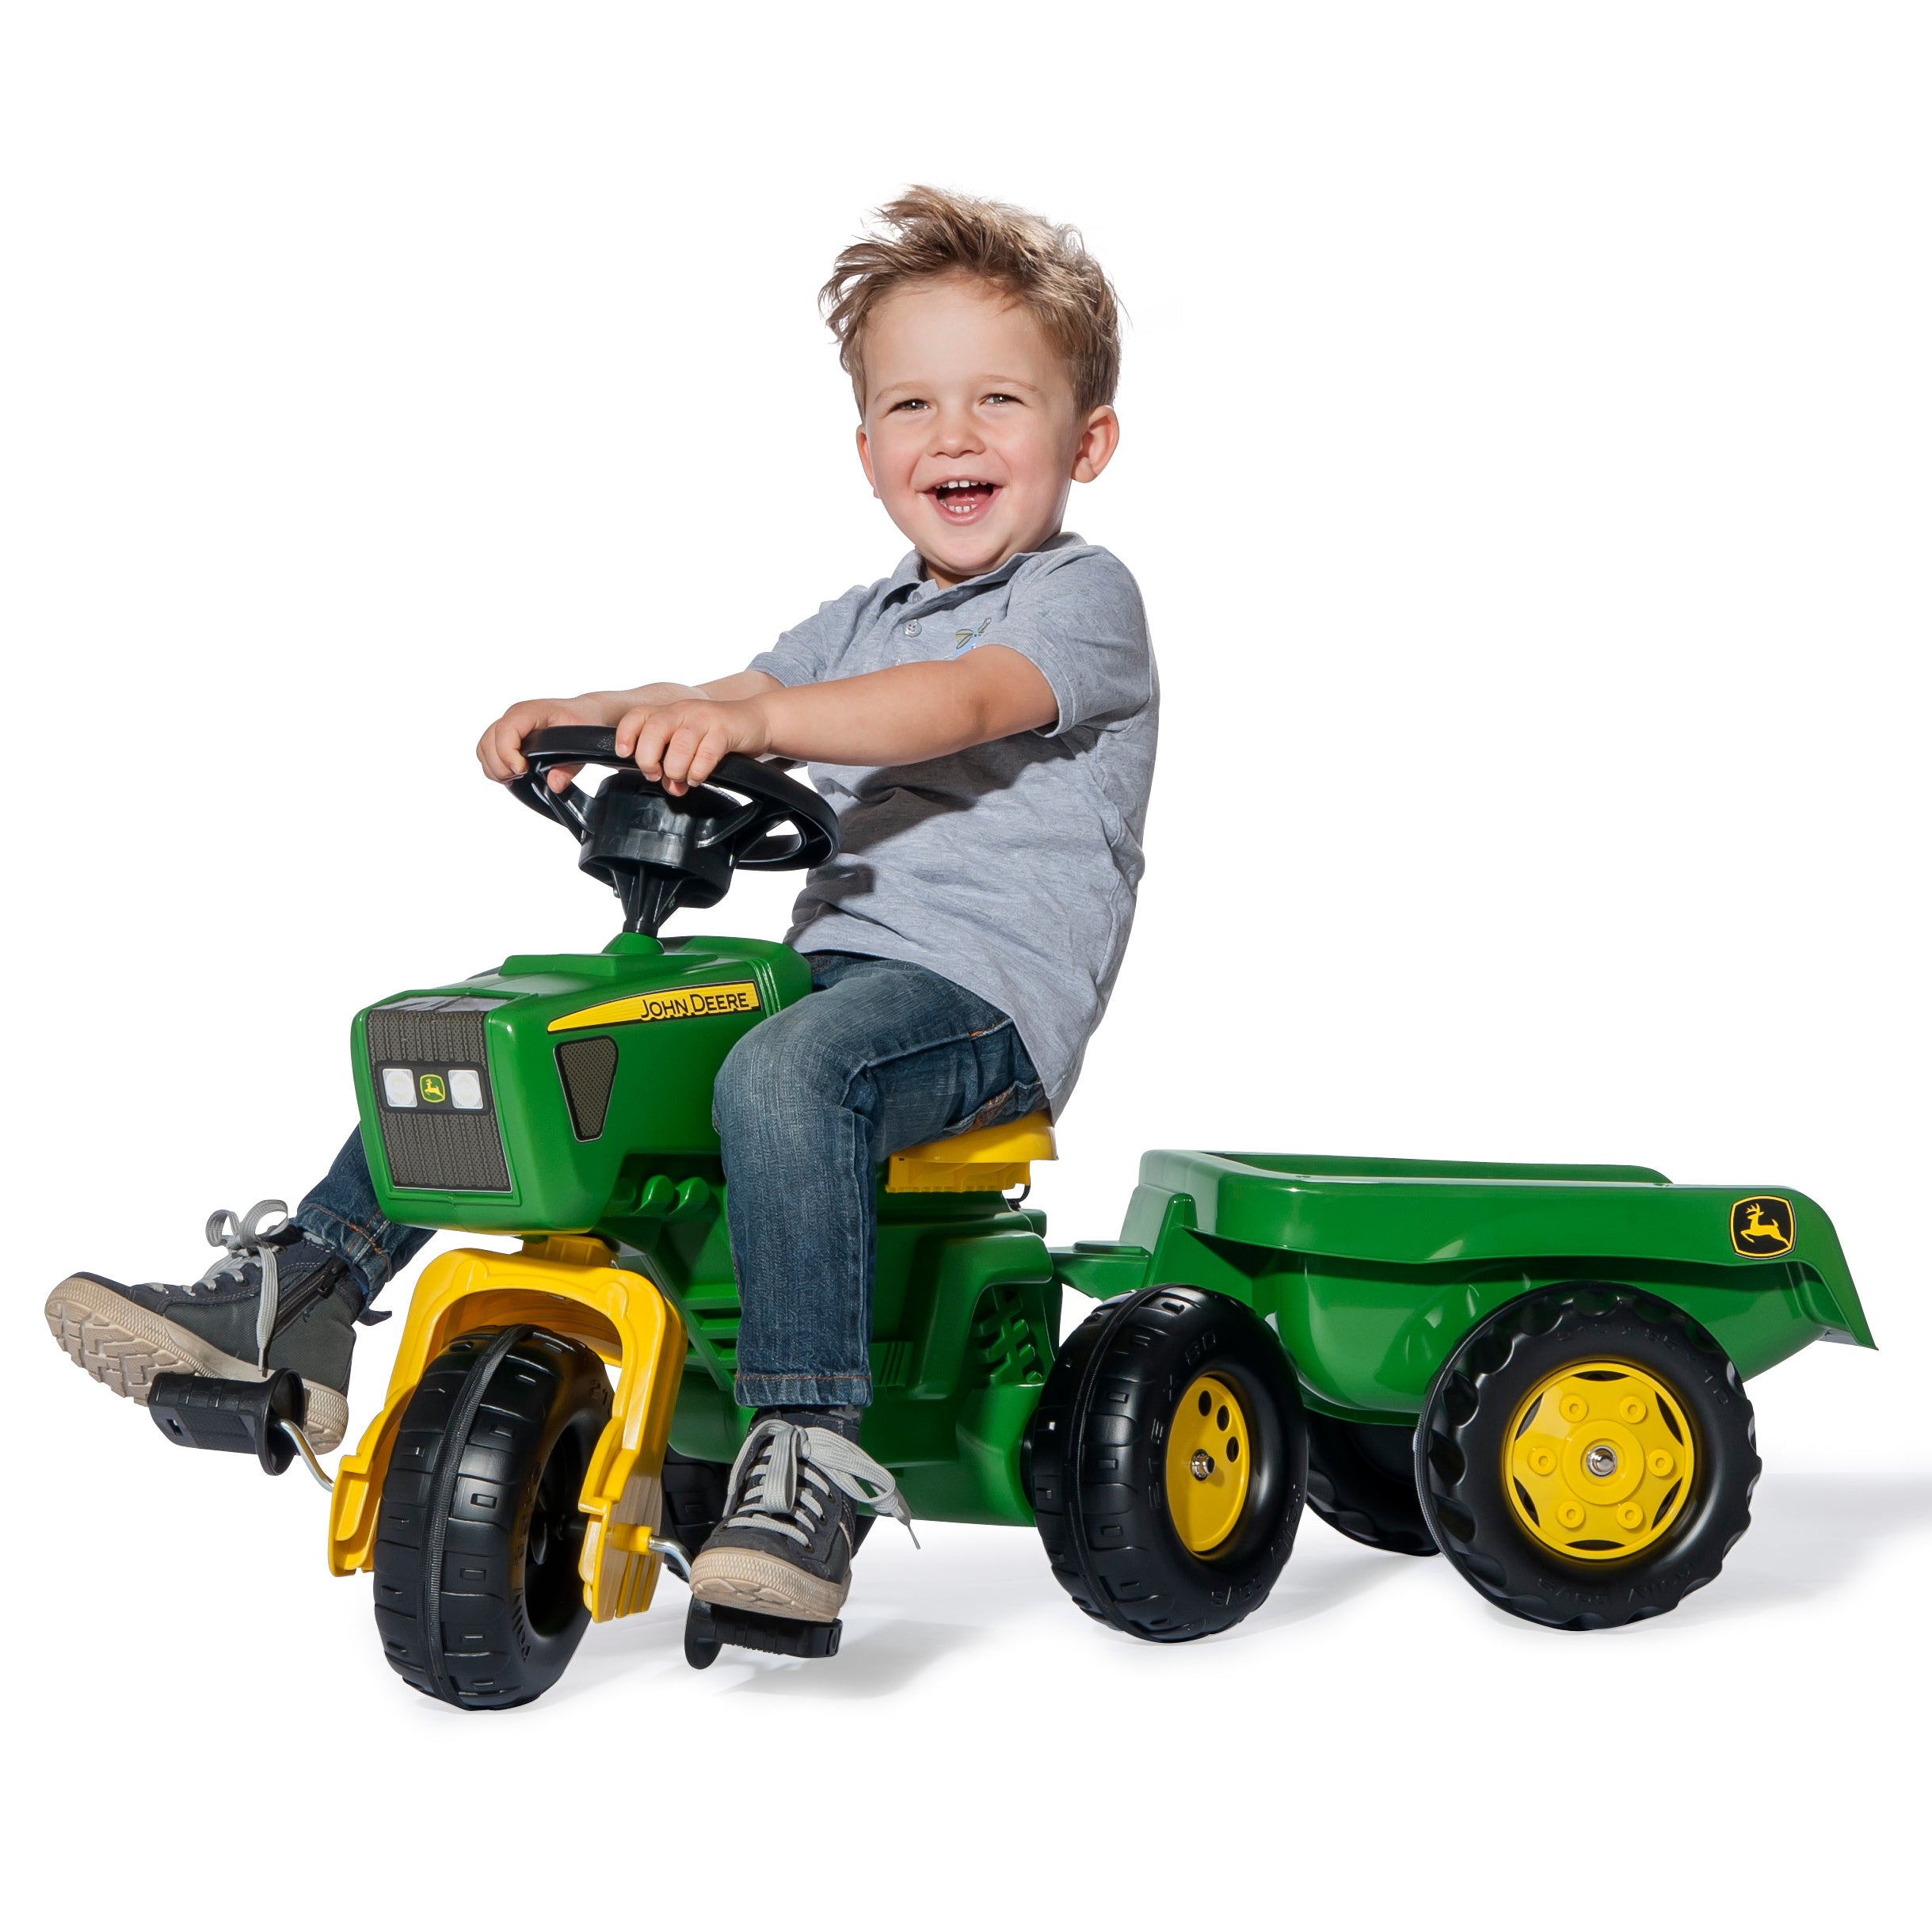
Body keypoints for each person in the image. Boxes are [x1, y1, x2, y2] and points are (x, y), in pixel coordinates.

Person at [45, 185, 1158, 1625]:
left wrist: (756, 729)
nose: (953, 435)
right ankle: (303, 1301)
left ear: (1086, 442)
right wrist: (593, 713)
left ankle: (809, 1446)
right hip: (819, 986)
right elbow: (738, 698)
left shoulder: (1078, 599)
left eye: (998, 399)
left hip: (972, 1011)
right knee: (534, 1030)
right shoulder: (866, 615)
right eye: (913, 404)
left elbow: (952, 707)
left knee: (784, 1070)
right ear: (868, 446)